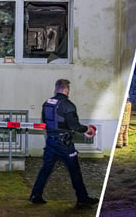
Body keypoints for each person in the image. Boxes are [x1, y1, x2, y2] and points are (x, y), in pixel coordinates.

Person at [29, 79, 99, 209]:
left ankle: (35, 195)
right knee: (75, 171)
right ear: (66, 90)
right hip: (64, 144)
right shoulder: (68, 105)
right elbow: (74, 126)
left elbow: (45, 122)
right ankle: (82, 199)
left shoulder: (47, 103)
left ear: (56, 89)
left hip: (50, 141)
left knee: (45, 169)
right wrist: (87, 129)